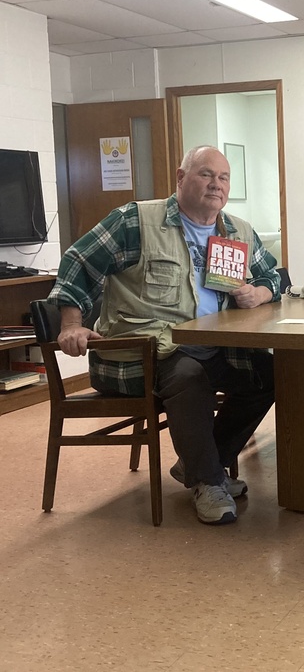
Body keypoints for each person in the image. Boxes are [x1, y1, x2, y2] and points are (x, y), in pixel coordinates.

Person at [48, 145, 281, 525]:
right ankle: (207, 481)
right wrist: (71, 324)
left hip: (215, 344)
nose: (215, 185)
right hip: (147, 350)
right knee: (190, 377)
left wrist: (260, 292)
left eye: (223, 178)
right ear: (181, 177)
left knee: (271, 374)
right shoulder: (135, 221)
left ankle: (203, 464)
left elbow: (272, 275)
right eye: (206, 174)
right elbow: (78, 260)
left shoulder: (237, 229)